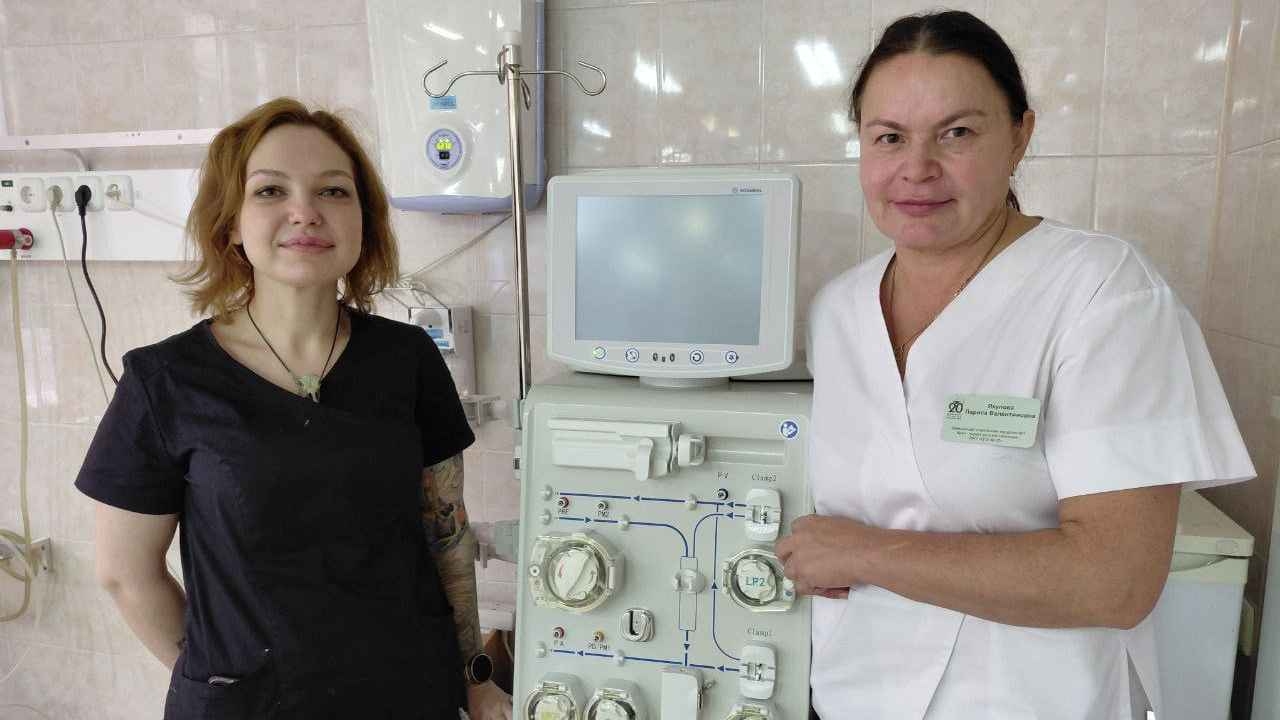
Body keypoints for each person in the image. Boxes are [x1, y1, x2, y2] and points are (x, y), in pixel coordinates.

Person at [776, 11, 1254, 719]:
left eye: (957, 133)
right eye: (889, 137)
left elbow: (1115, 581)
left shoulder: (1102, 291)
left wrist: (864, 553)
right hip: (855, 695)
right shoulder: (838, 310)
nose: (917, 168)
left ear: (1019, 136)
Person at [76, 98, 513, 720]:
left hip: (408, 695)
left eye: (333, 191)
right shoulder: (165, 383)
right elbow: (125, 573)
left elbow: (446, 536)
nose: (305, 211)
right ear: (231, 223)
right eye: (270, 190)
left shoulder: (407, 358)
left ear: (363, 219)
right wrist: (218, 685)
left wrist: (474, 677)